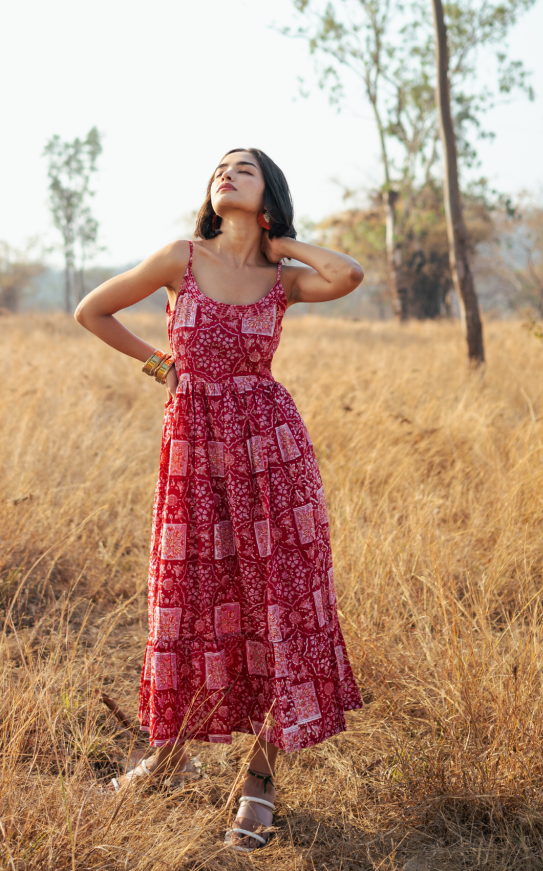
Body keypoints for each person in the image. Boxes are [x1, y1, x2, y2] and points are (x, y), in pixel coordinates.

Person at [75, 148, 364, 851]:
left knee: (275, 606)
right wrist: (163, 366)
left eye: (246, 168)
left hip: (273, 456)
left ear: (269, 192)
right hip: (194, 453)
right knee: (191, 598)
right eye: (221, 167)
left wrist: (282, 240)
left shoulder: (281, 279)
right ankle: (168, 753)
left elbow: (348, 274)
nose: (226, 172)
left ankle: (260, 783)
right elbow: (93, 311)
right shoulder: (181, 257)